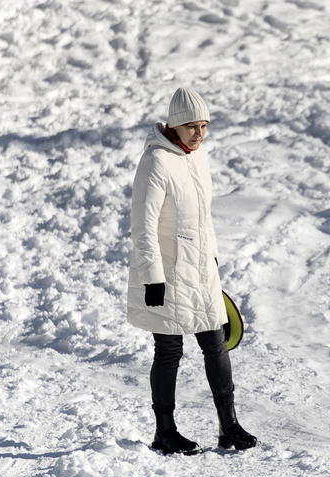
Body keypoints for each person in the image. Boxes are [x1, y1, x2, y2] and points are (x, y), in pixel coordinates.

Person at [126, 86, 258, 455]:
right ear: (174, 125)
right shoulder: (156, 162)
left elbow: (203, 219)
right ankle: (164, 432)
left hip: (200, 270)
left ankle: (229, 426)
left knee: (216, 344)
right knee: (169, 350)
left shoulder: (197, 157)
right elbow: (143, 226)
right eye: (191, 127)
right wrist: (153, 277)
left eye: (204, 126)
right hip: (167, 273)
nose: (199, 134)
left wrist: (212, 258)